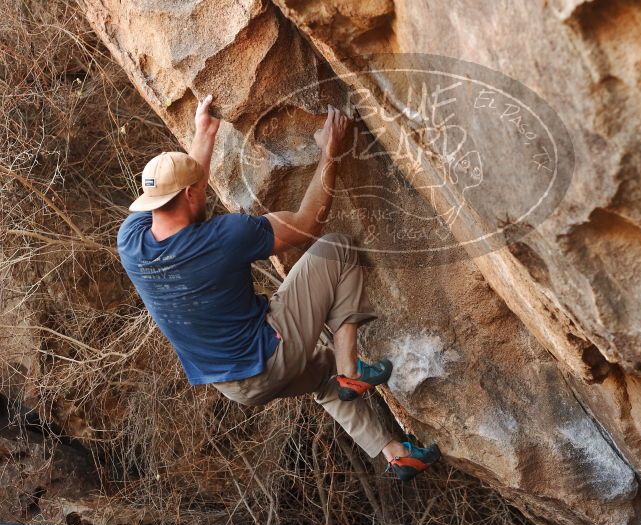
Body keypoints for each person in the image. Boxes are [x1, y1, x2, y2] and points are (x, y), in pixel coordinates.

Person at [117, 94, 440, 481]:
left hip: (232, 386)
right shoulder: (224, 237)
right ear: (190, 194)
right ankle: (352, 367)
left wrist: (205, 134)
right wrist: (330, 153)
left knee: (323, 376)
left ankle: (395, 454)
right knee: (336, 248)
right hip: (267, 357)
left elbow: (187, 192)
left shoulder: (131, 241)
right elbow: (308, 223)